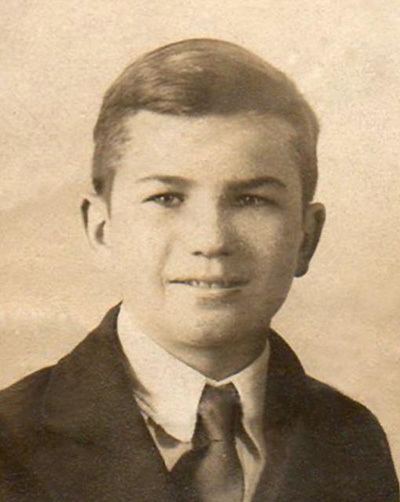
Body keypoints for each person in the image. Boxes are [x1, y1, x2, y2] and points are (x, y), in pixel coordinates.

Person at [0, 38, 398, 502]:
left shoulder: (350, 439)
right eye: (166, 198)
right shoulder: (11, 444)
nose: (211, 240)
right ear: (102, 228)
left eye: (252, 200)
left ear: (306, 237)